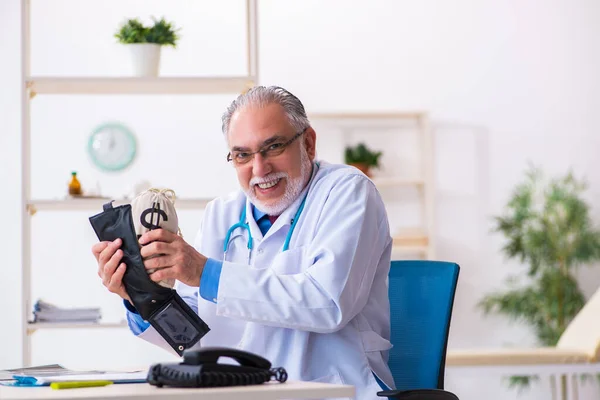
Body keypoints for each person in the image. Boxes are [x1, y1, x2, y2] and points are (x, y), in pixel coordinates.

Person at [92, 86, 395, 399]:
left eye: (273, 147)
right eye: (242, 155)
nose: (259, 168)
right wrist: (141, 296)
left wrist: (204, 273)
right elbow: (192, 337)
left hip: (338, 390)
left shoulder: (347, 193)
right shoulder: (221, 213)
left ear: (308, 142)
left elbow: (328, 303)